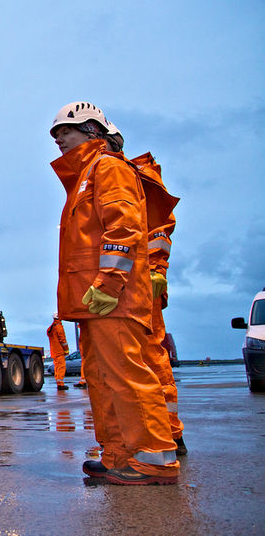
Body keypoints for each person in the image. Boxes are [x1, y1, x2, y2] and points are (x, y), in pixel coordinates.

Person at [50, 102, 179, 485]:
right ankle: (119, 454)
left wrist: (109, 283)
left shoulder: (108, 168)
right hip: (94, 301)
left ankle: (153, 461)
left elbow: (123, 228)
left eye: (65, 131)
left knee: (127, 378)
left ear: (93, 130)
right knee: (104, 379)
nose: (58, 139)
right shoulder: (87, 175)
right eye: (54, 134)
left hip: (113, 298)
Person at [105, 123, 187, 456]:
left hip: (139, 282)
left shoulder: (130, 176)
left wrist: (156, 270)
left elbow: (156, 231)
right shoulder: (115, 175)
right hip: (131, 281)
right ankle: (163, 436)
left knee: (148, 359)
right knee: (142, 363)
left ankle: (166, 438)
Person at [47, 316, 71, 390]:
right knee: (61, 367)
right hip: (59, 351)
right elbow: (63, 340)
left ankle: (59, 383)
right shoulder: (59, 327)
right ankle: (60, 384)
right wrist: (66, 350)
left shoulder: (51, 328)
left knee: (57, 368)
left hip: (54, 351)